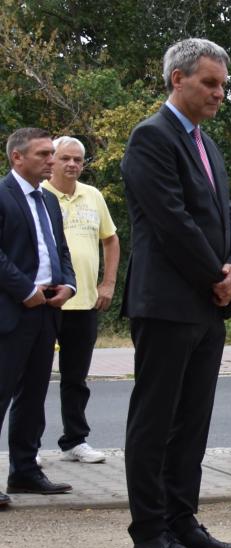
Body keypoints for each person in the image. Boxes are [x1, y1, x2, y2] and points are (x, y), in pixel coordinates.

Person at [120, 39, 231, 548]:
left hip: (207, 304)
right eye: (210, 83)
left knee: (192, 421)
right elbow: (171, 218)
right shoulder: (151, 137)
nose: (220, 93)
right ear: (178, 79)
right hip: (169, 301)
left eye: (223, 84)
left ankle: (182, 520)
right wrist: (211, 275)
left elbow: (228, 215)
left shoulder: (207, 144)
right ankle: (149, 533)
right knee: (155, 421)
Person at [1, 127, 77, 507]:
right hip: (11, 312)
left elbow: (60, 249)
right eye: (44, 154)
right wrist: (25, 289)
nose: (52, 160)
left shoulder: (48, 200)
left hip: (46, 312)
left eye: (52, 153)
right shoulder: (2, 195)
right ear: (17, 157)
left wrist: (69, 285)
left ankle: (25, 471)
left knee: (33, 395)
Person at [42, 135, 119, 464]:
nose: (72, 164)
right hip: (45, 303)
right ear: (52, 162)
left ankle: (75, 440)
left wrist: (108, 283)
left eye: (78, 159)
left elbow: (111, 240)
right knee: (31, 378)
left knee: (76, 377)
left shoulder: (93, 196)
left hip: (85, 301)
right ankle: (28, 447)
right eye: (65, 159)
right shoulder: (38, 194)